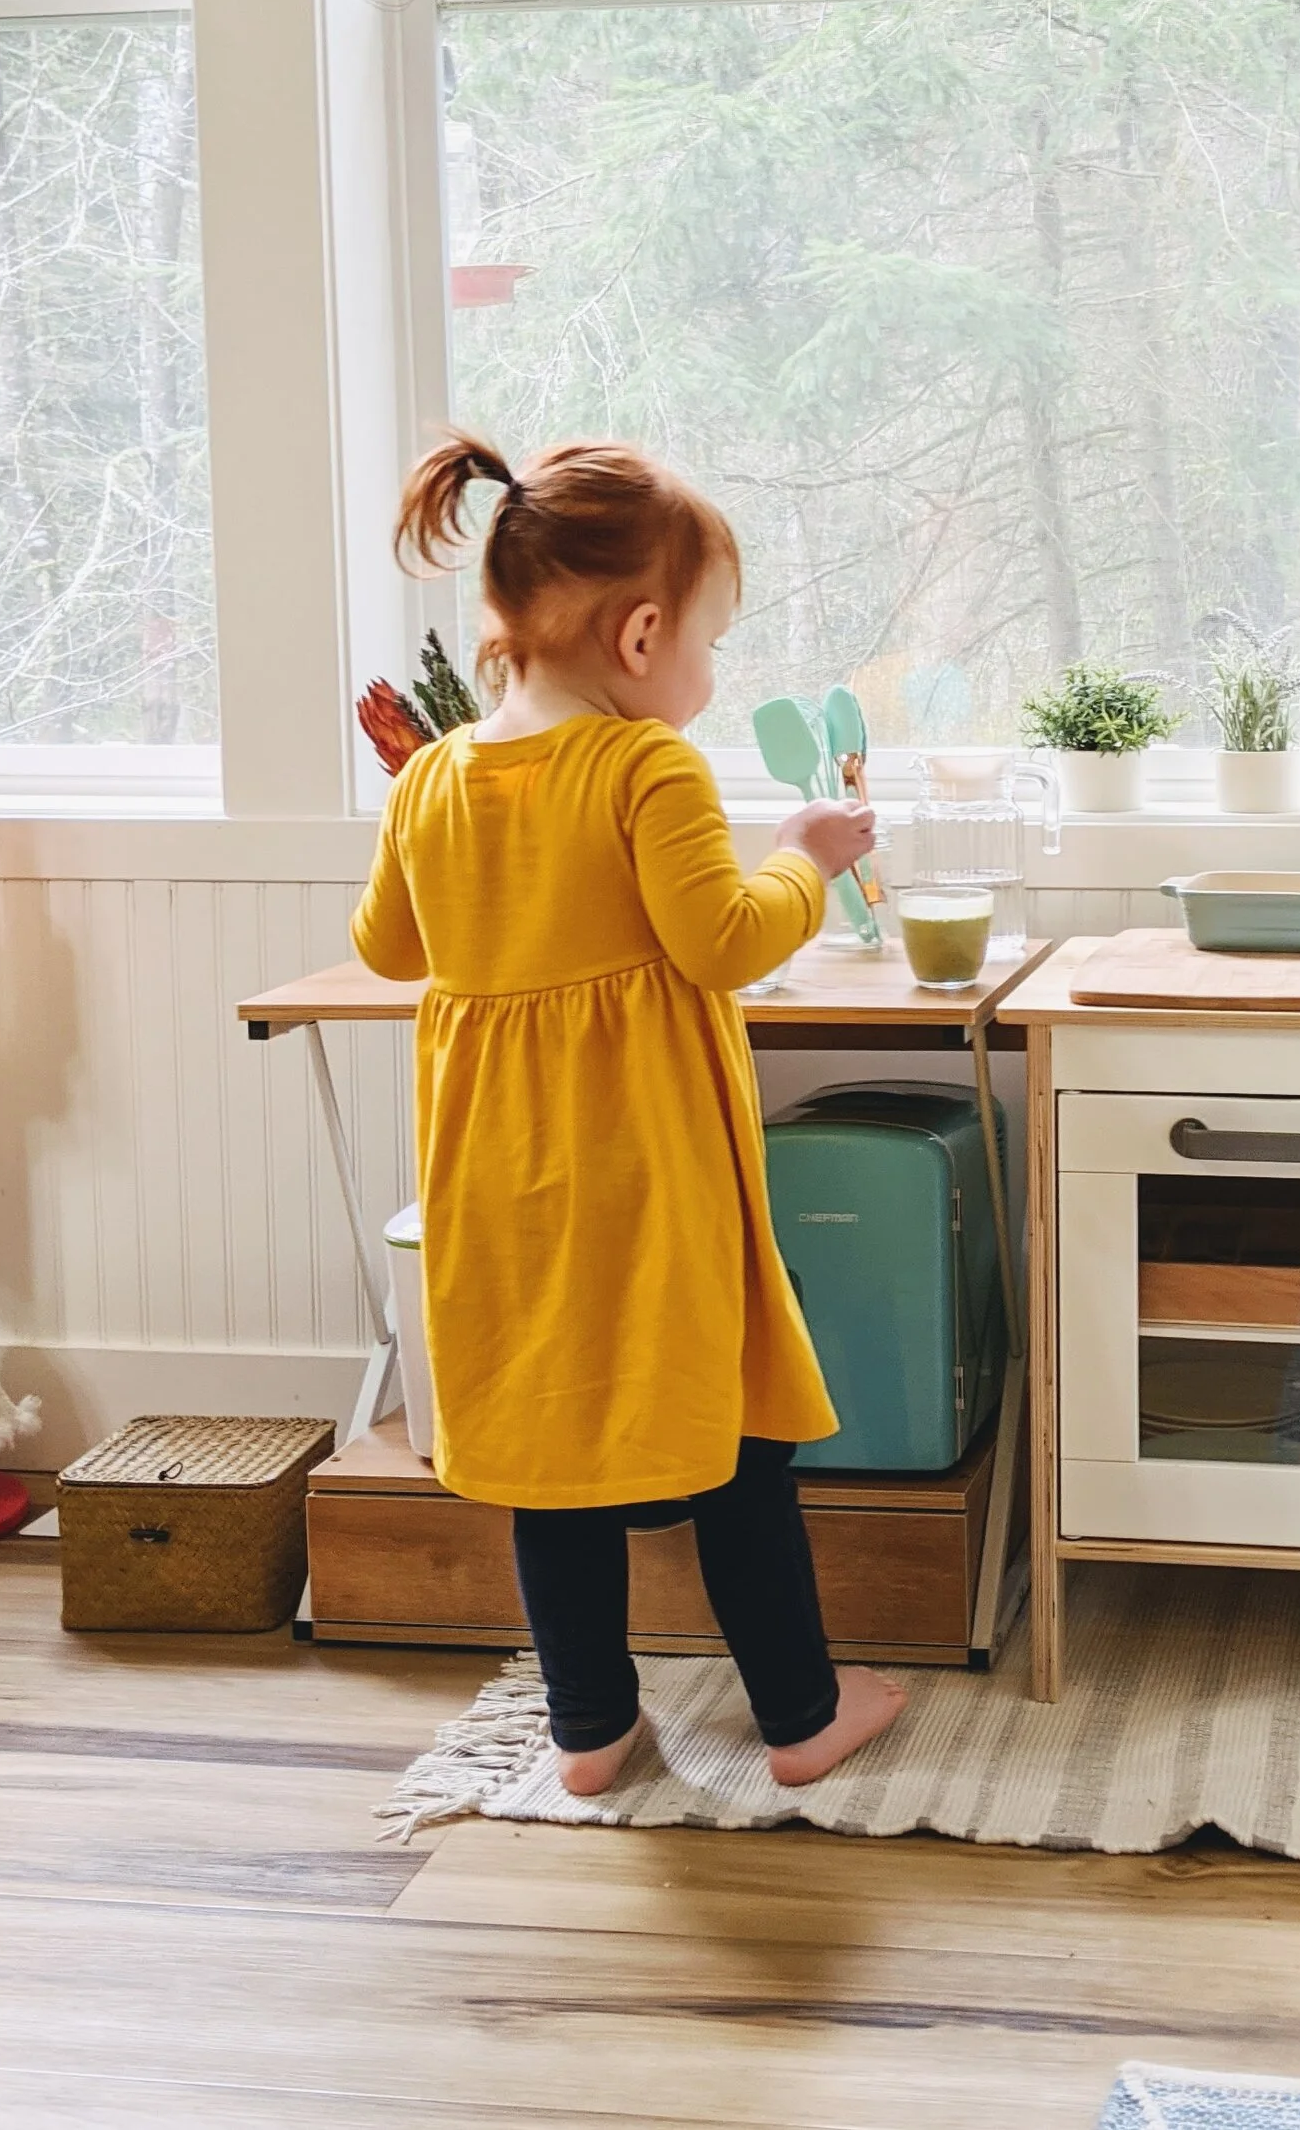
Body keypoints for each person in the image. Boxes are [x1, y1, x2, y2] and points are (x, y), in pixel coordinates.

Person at [353, 434, 905, 1795]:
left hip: (499, 1182)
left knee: (551, 1456)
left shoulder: (431, 780)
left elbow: (384, 950)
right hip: (645, 1179)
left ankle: (591, 1733)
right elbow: (719, 942)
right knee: (732, 1446)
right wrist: (802, 858)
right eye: (711, 646)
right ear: (643, 633)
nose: (708, 678)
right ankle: (801, 1719)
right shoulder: (644, 769)